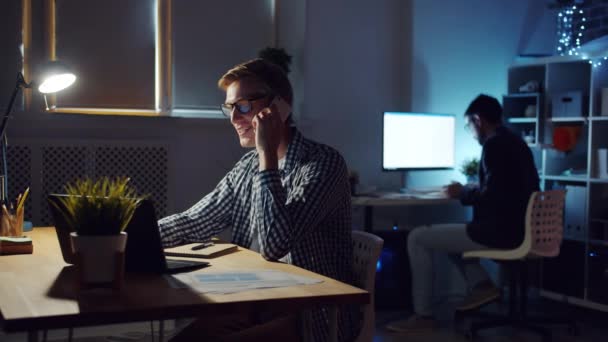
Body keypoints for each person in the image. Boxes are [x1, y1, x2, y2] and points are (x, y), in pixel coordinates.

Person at [158, 57, 358, 341]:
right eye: (229, 107)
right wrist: (128, 236)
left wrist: (267, 155)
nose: (233, 119)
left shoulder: (322, 164)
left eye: (243, 106)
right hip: (257, 301)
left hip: (311, 314)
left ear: (279, 106)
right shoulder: (246, 167)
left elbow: (275, 245)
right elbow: (195, 221)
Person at [386, 94, 540, 333]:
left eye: (469, 126)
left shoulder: (494, 145)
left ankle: (424, 316)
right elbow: (505, 189)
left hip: (500, 232)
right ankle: (481, 286)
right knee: (446, 238)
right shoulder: (514, 141)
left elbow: (495, 195)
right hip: (519, 229)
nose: (471, 132)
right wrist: (470, 190)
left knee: (417, 237)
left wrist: (462, 193)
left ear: (478, 120)